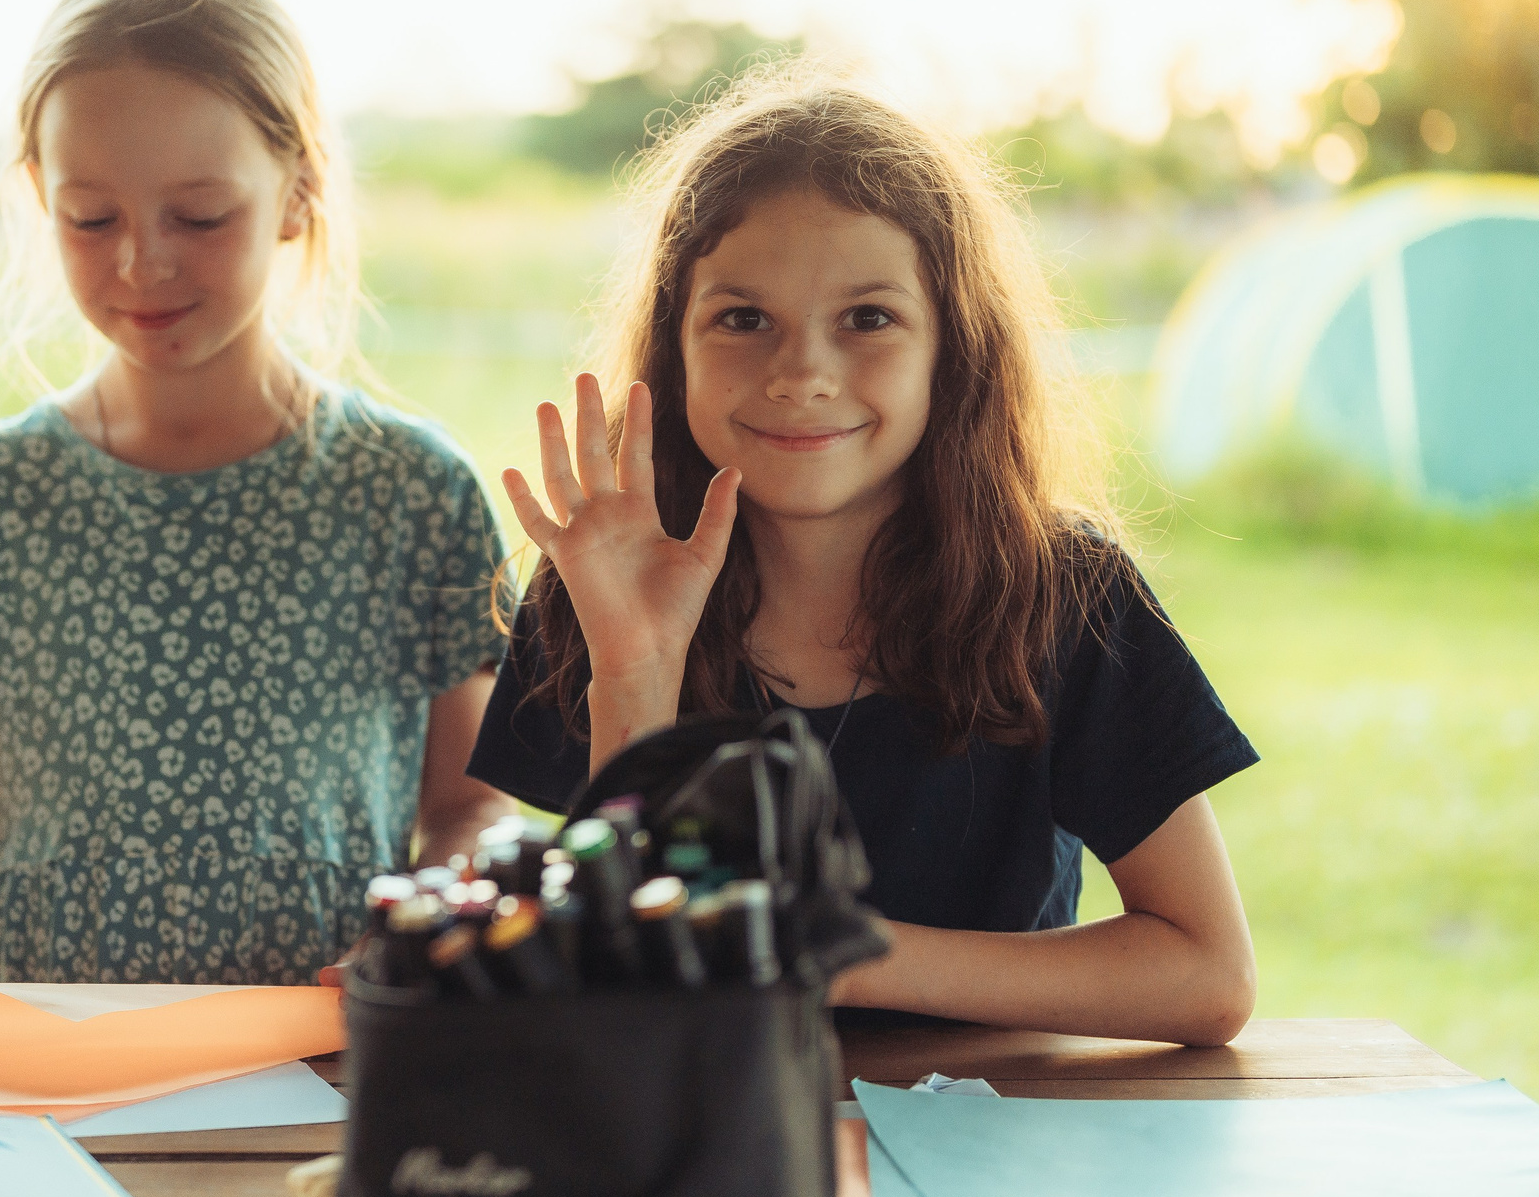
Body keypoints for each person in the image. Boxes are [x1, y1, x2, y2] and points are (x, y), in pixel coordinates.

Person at [0, 0, 509, 1058]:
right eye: (89, 218)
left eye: (199, 216)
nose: (142, 264)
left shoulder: (412, 491)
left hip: (327, 1065)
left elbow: (471, 806)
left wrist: (438, 915)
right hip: (41, 1077)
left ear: (298, 191)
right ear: (36, 201)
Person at [472, 66, 1259, 1047]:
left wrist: (839, 952)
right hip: (700, 1136)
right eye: (742, 318)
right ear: (674, 353)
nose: (802, 373)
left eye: (868, 318)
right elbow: (626, 963)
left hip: (990, 1152)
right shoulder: (599, 583)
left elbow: (1206, 974)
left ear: (954, 350)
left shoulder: (1066, 594)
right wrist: (636, 670)